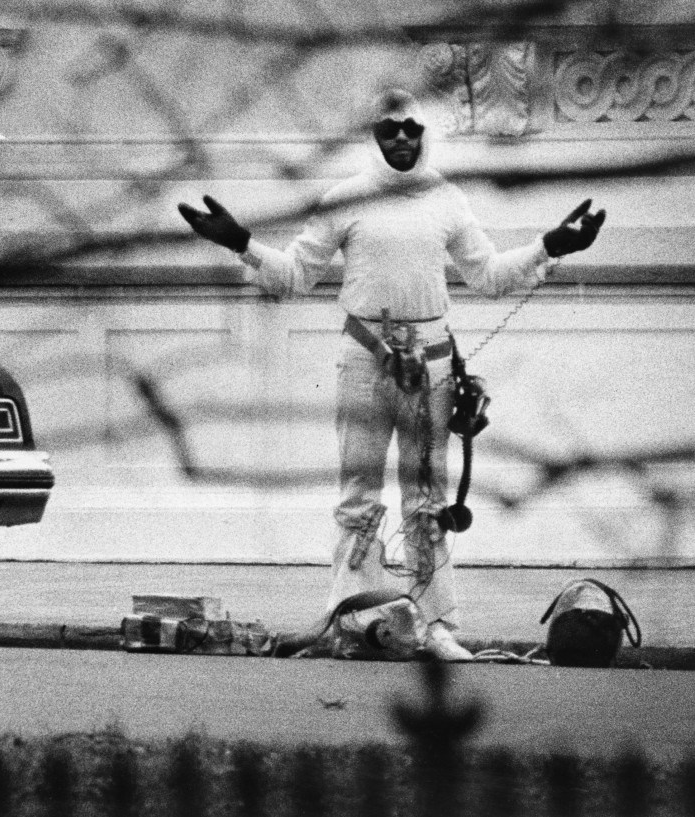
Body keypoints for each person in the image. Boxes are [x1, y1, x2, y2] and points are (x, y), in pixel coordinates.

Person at [178, 88, 605, 661]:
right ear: (373, 136)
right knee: (357, 496)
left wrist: (551, 245)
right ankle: (356, 620)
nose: (400, 138)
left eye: (410, 127)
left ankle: (434, 626)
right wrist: (242, 243)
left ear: (424, 134)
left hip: (430, 366)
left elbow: (490, 275)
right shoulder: (345, 200)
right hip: (364, 362)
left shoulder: (446, 200)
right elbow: (296, 275)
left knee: (427, 499)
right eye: (388, 129)